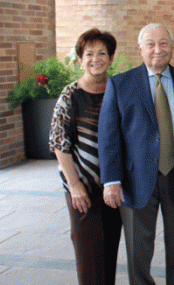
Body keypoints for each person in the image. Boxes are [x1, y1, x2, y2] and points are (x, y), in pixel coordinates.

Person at [98, 23, 174, 285]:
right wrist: (111, 180)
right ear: (140, 49)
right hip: (135, 178)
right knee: (138, 249)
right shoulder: (120, 84)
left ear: (172, 47)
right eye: (150, 44)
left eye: (163, 43)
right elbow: (108, 137)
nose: (157, 49)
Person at [49, 28, 122, 285]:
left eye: (102, 53)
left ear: (110, 58)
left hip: (113, 186)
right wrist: (74, 185)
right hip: (83, 188)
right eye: (89, 54)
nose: (95, 59)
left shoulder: (118, 90)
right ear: (80, 59)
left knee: (109, 250)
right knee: (89, 255)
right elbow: (59, 142)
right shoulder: (70, 95)